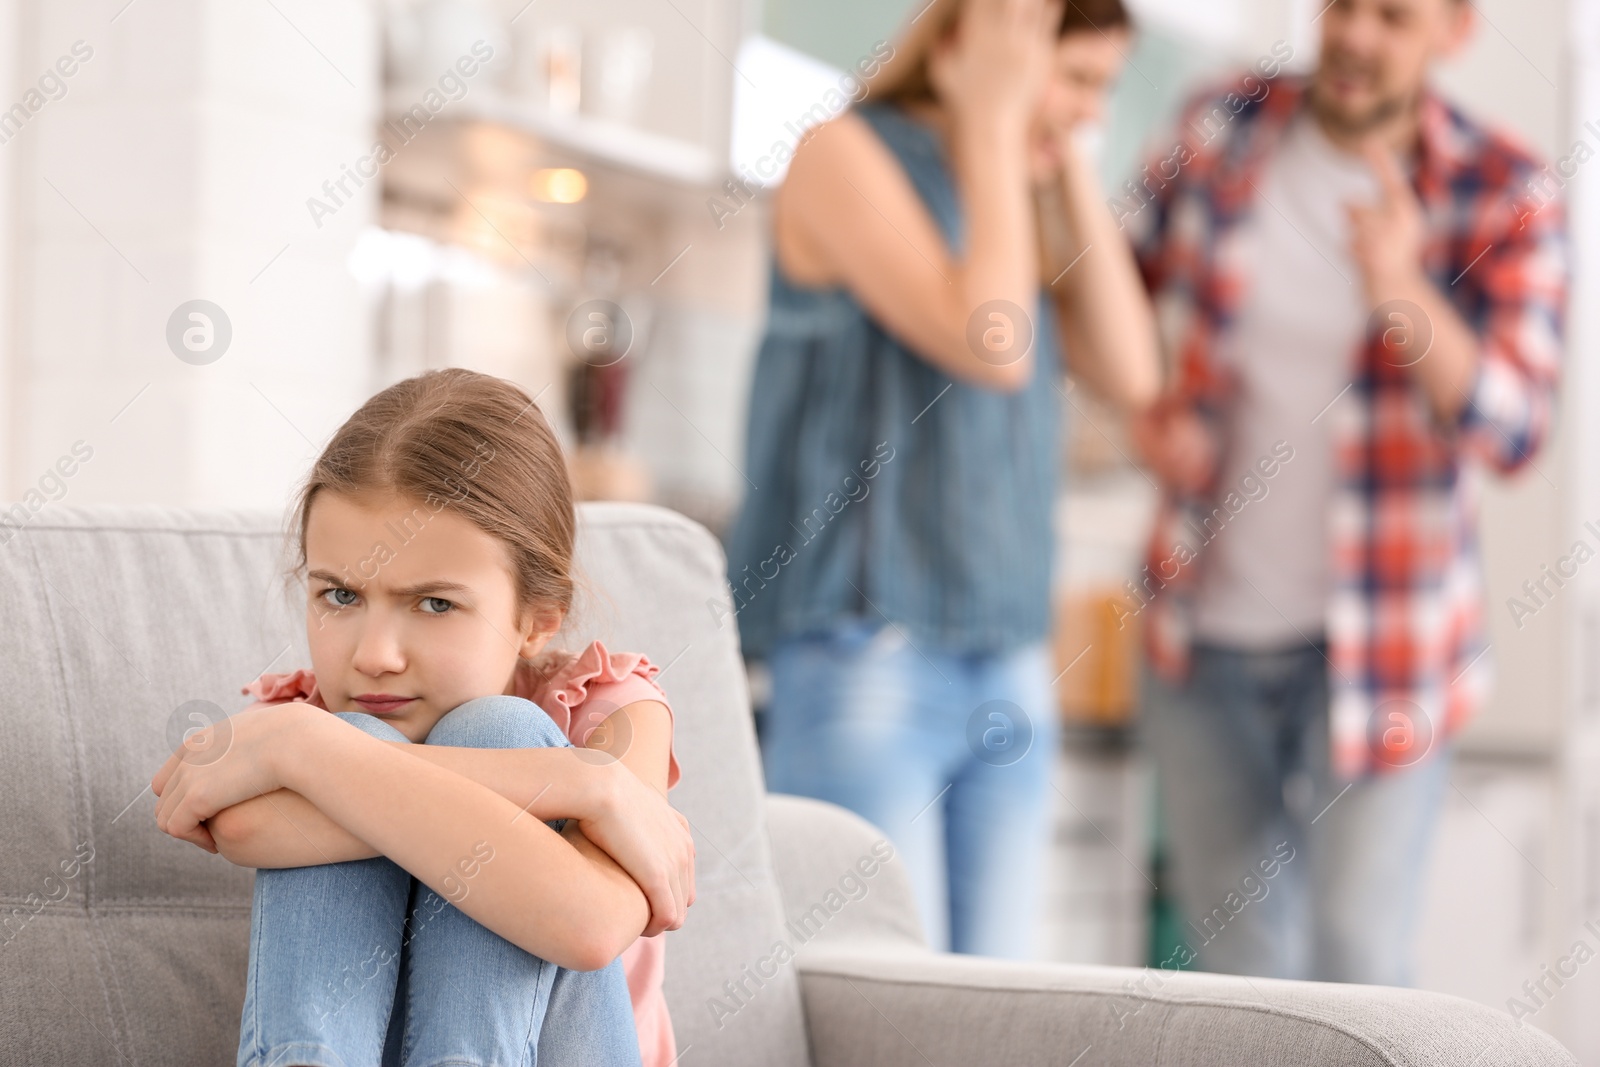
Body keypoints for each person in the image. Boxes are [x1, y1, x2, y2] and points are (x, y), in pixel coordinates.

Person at [1124, 0, 1568, 984]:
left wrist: (1399, 288)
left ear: (1453, 30)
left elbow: (1512, 427)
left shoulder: (1506, 190)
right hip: (1201, 640)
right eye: (1342, 8)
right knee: (1238, 973)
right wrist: (1136, 409)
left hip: (1389, 650)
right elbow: (1102, 277)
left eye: (1392, 17)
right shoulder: (1217, 128)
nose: (1357, 37)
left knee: (1357, 963)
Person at [724, 0, 1161, 958]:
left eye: (1104, 89)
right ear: (970, 44)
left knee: (993, 1025)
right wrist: (998, 124)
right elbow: (992, 342)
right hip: (870, 653)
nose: (1089, 110)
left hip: (1008, 655)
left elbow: (1134, 372)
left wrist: (1060, 154)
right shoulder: (843, 154)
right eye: (1076, 81)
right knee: (882, 1017)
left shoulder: (1018, 188)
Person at [151, 368, 694, 1067]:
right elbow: (244, 826)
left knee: (495, 727)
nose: (374, 655)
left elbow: (589, 922)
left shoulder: (610, 713)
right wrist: (575, 784)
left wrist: (311, 752)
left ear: (537, 619)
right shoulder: (304, 724)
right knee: (357, 742)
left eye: (435, 604)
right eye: (340, 595)